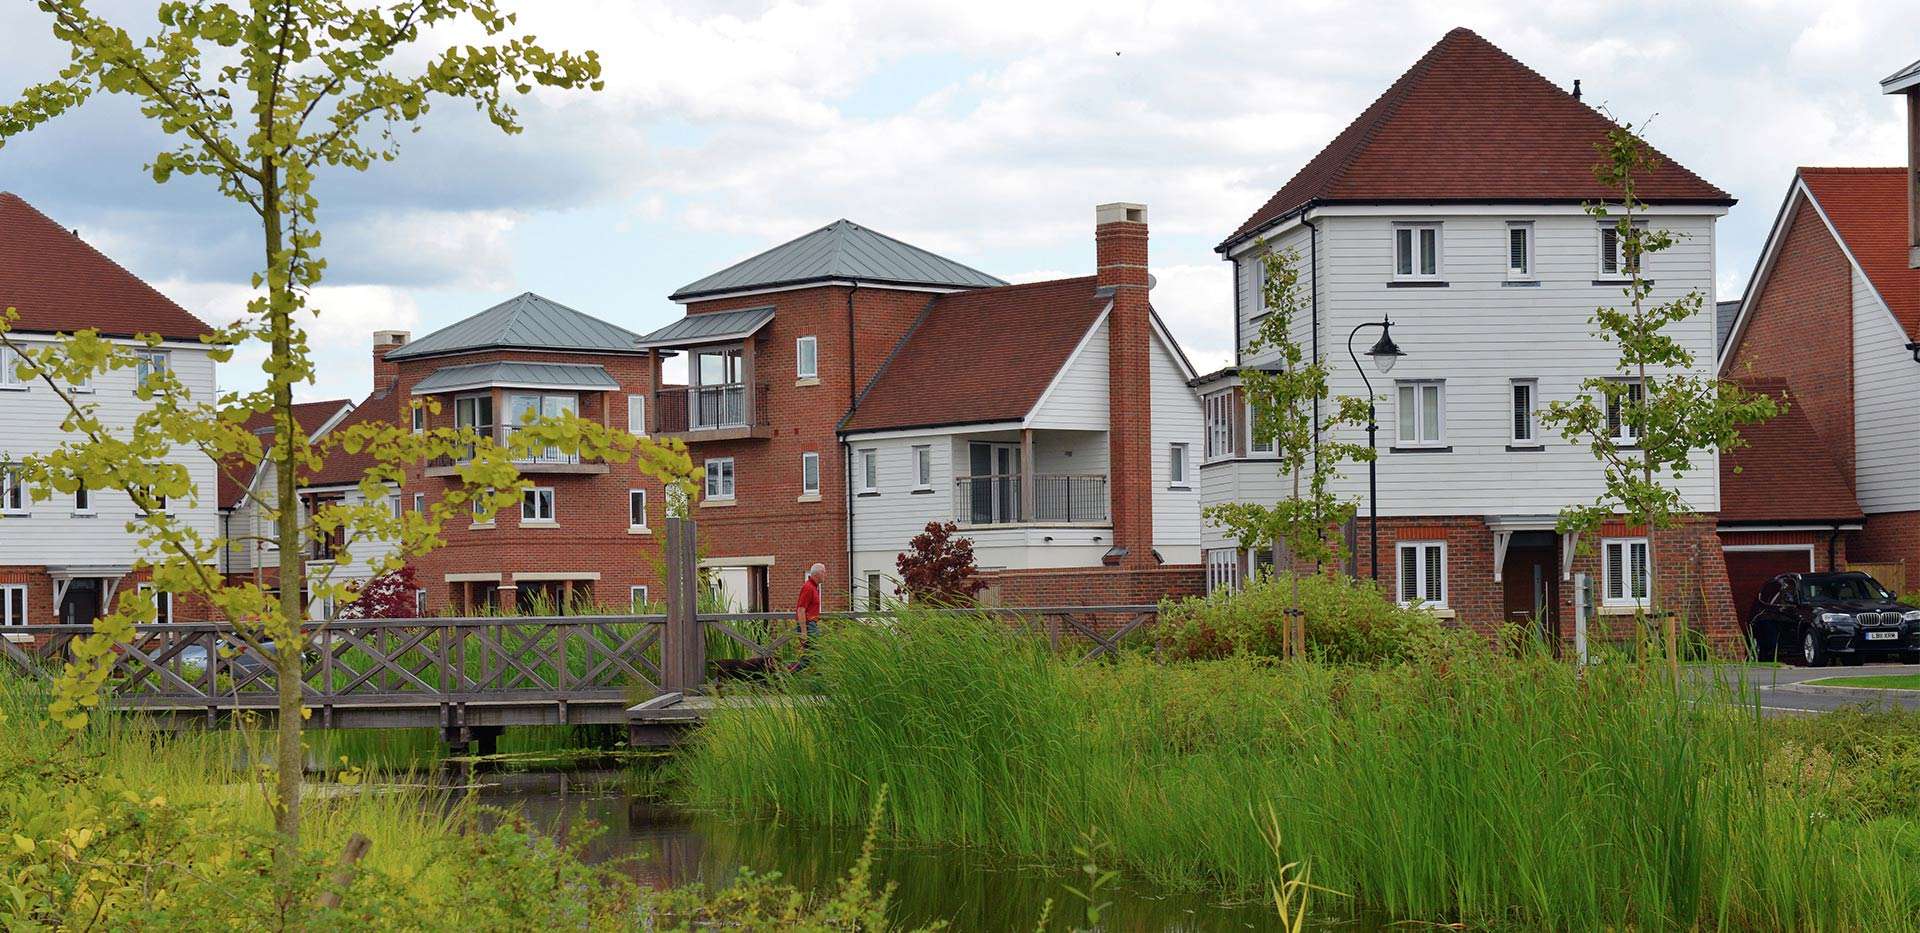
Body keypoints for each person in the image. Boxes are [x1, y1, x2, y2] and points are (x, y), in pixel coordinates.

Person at [796, 562, 825, 652]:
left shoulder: (814, 587)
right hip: (808, 625)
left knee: (811, 654)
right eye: (823, 572)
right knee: (813, 654)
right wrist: (804, 632)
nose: (825, 575)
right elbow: (801, 609)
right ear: (816, 574)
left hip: (811, 625)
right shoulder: (808, 587)